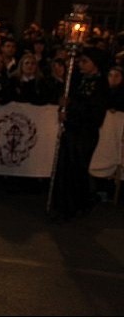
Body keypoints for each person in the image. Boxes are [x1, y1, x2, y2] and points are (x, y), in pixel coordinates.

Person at [52, 47, 110, 220]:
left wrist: (71, 106)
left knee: (77, 168)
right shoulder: (77, 79)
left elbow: (95, 113)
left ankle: (75, 205)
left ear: (95, 64)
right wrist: (63, 107)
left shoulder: (101, 85)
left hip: (85, 133)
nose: (81, 64)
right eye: (80, 61)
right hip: (71, 130)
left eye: (85, 61)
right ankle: (64, 204)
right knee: (65, 166)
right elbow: (67, 94)